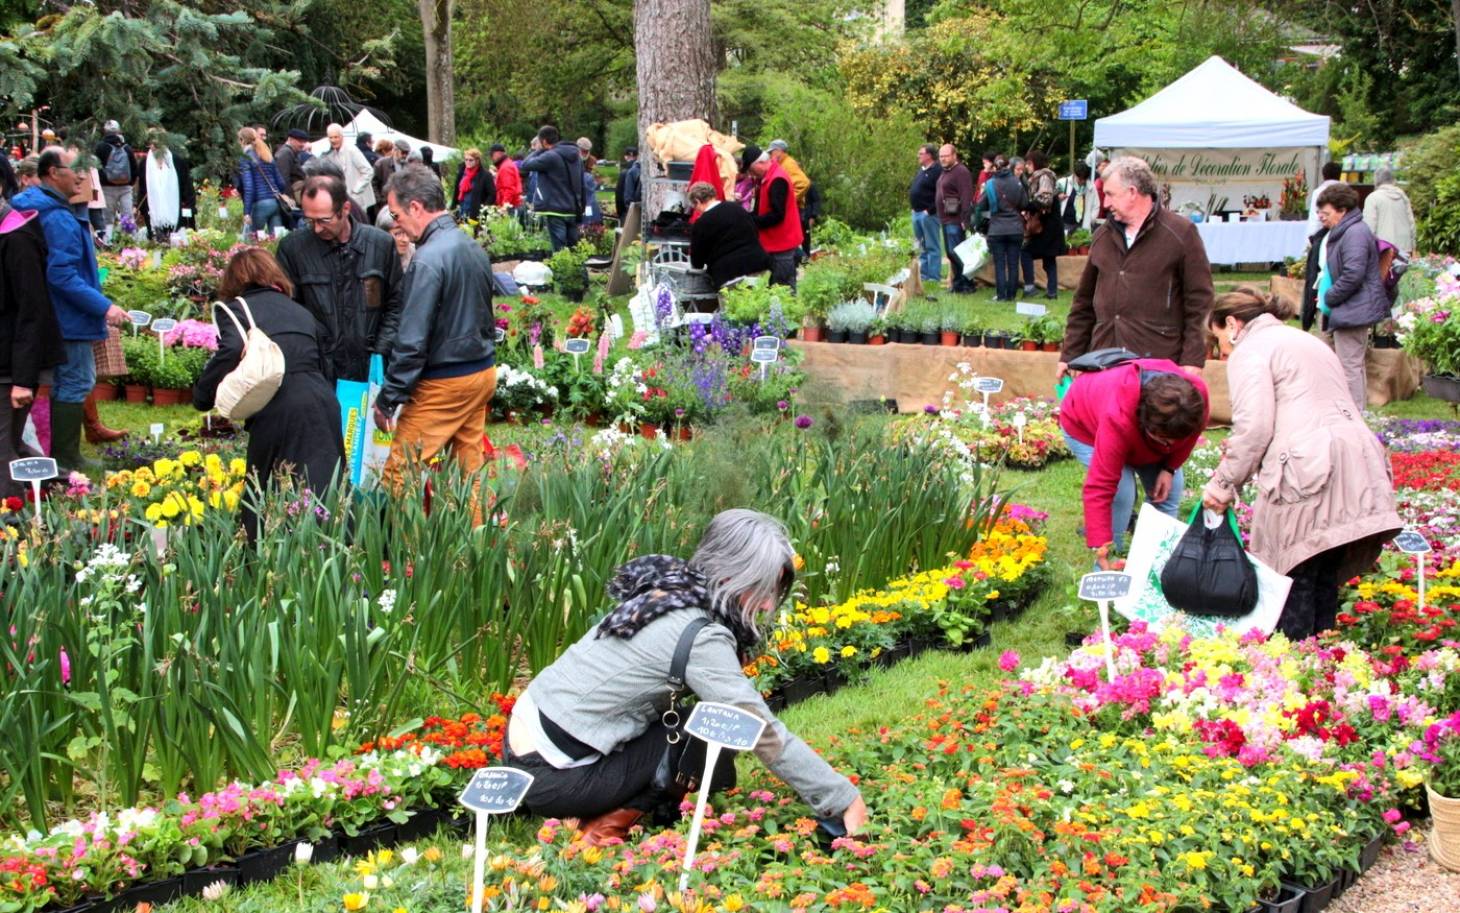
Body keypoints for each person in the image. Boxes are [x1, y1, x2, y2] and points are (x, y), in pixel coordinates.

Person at [505, 509, 867, 846]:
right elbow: (760, 730)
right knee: (713, 723)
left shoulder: (670, 590)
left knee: (695, 722)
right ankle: (604, 825)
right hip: (555, 776)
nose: (770, 605)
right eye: (762, 588)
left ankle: (614, 807)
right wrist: (841, 798)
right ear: (730, 576)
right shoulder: (702, 635)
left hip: (524, 749)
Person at [1201, 287, 1401, 640]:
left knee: (1293, 575)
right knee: (1324, 570)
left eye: (1220, 339)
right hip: (1355, 461)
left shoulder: (1251, 351)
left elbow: (1254, 427)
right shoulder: (1305, 340)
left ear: (1232, 323)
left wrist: (1222, 484)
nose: (1223, 350)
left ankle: (1294, 664)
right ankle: (1323, 663)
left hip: (1308, 471)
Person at [194, 249, 344, 540]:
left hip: (278, 404)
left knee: (267, 487)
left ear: (235, 278)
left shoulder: (236, 309)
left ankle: (268, 561)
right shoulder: (300, 310)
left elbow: (231, 349)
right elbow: (325, 356)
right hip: (322, 400)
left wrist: (203, 394)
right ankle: (331, 555)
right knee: (326, 484)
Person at [376, 165, 497, 504]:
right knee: (468, 472)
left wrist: (389, 398)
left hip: (446, 382)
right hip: (481, 373)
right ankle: (475, 549)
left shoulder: (427, 259)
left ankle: (411, 557)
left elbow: (412, 340)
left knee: (400, 475)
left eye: (397, 214)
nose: (395, 222)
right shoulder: (471, 247)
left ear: (416, 207)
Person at [11, 148, 131, 475]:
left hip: (51, 315)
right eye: (74, 169)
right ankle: (66, 457)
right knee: (76, 381)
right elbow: (61, 274)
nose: (81, 176)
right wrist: (103, 306)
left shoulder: (32, 206)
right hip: (68, 317)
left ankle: (58, 452)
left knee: (70, 381)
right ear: (52, 173)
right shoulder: (57, 217)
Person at [1058, 157, 1213, 381]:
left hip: (1158, 362)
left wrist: (1192, 359)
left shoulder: (1180, 232)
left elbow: (1200, 302)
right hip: (1105, 361)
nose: (1106, 203)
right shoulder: (1103, 235)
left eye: (1110, 194)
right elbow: (1083, 302)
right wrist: (1070, 354)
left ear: (1132, 192)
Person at [1060, 361, 1209, 568]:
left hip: (1136, 429)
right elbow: (1100, 487)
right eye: (1165, 441)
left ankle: (1157, 565)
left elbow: (1189, 438)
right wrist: (1100, 545)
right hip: (1083, 421)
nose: (1170, 447)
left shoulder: (1196, 399)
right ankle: (1108, 566)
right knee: (1122, 492)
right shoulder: (1118, 416)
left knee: (1170, 489)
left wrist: (1169, 467)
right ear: (1144, 421)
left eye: (1175, 442)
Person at [276, 175, 404, 383]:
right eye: (310, 220)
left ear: (345, 209)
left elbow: (397, 304)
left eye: (324, 220)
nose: (317, 228)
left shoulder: (380, 245)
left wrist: (381, 350)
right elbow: (286, 310)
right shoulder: (293, 249)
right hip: (317, 370)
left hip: (370, 366)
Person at [0, 194, 66, 500]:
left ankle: (9, 522)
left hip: (12, 366)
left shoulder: (17, 238)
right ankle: (66, 486)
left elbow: (32, 310)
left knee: (2, 449)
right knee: (10, 443)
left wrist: (23, 380)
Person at [1313, 182, 1387, 410]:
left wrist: (1330, 297)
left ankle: (1354, 415)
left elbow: (1353, 274)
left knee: (1350, 366)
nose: (1320, 218)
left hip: (1352, 308)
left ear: (1342, 210)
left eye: (1324, 213)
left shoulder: (1354, 233)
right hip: (1349, 307)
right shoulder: (1347, 230)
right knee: (1349, 364)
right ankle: (1353, 413)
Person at [742, 144, 803, 289]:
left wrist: (751, 221)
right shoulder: (767, 178)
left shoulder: (777, 179)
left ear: (760, 163)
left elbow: (777, 215)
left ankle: (787, 311)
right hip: (775, 243)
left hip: (782, 243)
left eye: (751, 170)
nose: (751, 174)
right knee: (777, 286)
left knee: (784, 288)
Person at [687, 181, 770, 287]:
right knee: (759, 300)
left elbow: (697, 260)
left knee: (734, 303)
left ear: (697, 201)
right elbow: (754, 231)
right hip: (757, 262)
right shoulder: (737, 208)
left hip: (729, 273)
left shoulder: (702, 223)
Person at [521, 127, 586, 251]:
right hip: (573, 208)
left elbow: (525, 165)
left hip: (556, 210)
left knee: (559, 250)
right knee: (574, 249)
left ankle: (561, 271)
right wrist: (581, 206)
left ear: (544, 142)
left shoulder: (551, 156)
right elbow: (582, 182)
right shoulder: (576, 156)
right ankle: (579, 270)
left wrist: (539, 150)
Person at [1020, 149, 1065, 299]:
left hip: (1046, 224)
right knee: (1048, 259)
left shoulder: (1043, 176)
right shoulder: (1046, 176)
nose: (1026, 167)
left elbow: (1045, 200)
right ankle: (1052, 292)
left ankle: (1030, 286)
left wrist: (1027, 205)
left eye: (1028, 164)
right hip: (1051, 223)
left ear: (1033, 163)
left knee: (1026, 252)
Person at [982, 155, 1026, 302]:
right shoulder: (1017, 182)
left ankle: (1001, 295)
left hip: (996, 228)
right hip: (1015, 227)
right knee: (1013, 263)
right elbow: (1024, 203)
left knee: (1000, 264)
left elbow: (983, 205)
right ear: (1008, 166)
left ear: (995, 167)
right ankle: (1011, 295)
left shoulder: (990, 184)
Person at [135, 131, 196, 237]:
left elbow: (187, 187)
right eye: (150, 143)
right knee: (156, 244)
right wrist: (138, 207)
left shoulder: (177, 162)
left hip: (176, 212)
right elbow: (142, 189)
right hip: (153, 212)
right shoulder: (145, 164)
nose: (153, 146)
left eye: (156, 143)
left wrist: (189, 207)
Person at [935, 144, 975, 294]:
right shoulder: (945, 172)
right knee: (951, 253)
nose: (943, 159)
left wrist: (965, 219)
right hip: (945, 219)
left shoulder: (961, 172)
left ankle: (967, 283)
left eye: (946, 156)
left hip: (955, 219)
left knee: (957, 252)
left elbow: (966, 196)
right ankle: (958, 283)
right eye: (941, 156)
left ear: (954, 156)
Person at [237, 127, 288, 237]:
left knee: (250, 240)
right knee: (276, 240)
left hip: (260, 203)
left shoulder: (245, 157)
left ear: (241, 140)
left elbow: (249, 187)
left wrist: (246, 212)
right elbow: (281, 183)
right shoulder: (267, 155)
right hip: (275, 202)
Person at [321, 124, 376, 217]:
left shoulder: (351, 150)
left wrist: (356, 190)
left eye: (336, 137)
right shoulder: (333, 154)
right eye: (331, 137)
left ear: (342, 136)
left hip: (359, 199)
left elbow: (368, 171)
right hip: (347, 198)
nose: (333, 140)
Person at [908, 143, 943, 284]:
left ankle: (934, 276)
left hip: (929, 214)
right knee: (921, 246)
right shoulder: (922, 170)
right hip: (916, 213)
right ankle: (924, 274)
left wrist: (930, 210)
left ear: (929, 155)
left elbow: (941, 194)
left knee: (932, 245)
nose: (918, 156)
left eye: (921, 153)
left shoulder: (937, 171)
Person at [93, 120, 138, 230]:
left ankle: (108, 242)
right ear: (118, 131)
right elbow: (134, 168)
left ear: (105, 131)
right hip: (125, 187)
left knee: (108, 218)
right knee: (127, 216)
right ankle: (129, 241)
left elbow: (96, 167)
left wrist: (103, 181)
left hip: (106, 187)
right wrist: (130, 183)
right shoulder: (127, 148)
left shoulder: (100, 147)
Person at [1363, 167, 1416, 254]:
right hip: (1405, 248)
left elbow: (1369, 228)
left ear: (1376, 180)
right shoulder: (1403, 196)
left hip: (1384, 250)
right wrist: (1413, 247)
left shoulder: (1373, 198)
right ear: (1392, 179)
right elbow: (1412, 224)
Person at [450, 148, 496, 223]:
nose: (468, 162)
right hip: (461, 210)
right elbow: (456, 191)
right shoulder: (462, 173)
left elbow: (492, 194)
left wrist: (483, 209)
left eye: (471, 160)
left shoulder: (485, 175)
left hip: (475, 213)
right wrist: (453, 208)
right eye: (466, 160)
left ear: (477, 161)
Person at [274, 129, 313, 203]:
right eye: (299, 141)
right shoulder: (285, 153)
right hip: (289, 197)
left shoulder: (293, 152)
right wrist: (289, 199)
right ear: (290, 139)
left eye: (304, 142)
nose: (302, 144)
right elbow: (283, 178)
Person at [373, 139, 410, 216]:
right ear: (395, 150)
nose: (405, 155)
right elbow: (374, 184)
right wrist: (380, 200)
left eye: (407, 153)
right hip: (385, 205)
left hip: (403, 204)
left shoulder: (408, 166)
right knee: (387, 224)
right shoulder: (381, 164)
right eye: (403, 153)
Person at [1306, 161, 1342, 237]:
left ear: (1323, 175)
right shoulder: (1346, 191)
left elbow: (1314, 218)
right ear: (1339, 174)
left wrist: (1310, 237)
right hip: (1341, 232)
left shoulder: (1318, 192)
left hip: (1321, 233)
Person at [1057, 161, 1095, 233]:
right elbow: (1051, 198)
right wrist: (1058, 197)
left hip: (1082, 225)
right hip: (1064, 224)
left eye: (1084, 179)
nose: (1082, 181)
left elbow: (1096, 205)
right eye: (1080, 179)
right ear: (1074, 174)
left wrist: (1091, 219)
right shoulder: (1062, 183)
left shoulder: (1090, 187)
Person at [491, 144, 523, 210]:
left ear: (498, 154)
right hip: (512, 204)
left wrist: (504, 208)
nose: (491, 158)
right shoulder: (506, 164)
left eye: (492, 155)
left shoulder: (506, 167)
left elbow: (509, 189)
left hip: (511, 206)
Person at [614, 147, 640, 220]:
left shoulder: (625, 172)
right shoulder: (640, 169)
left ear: (626, 157)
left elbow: (619, 194)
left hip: (627, 211)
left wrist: (620, 213)